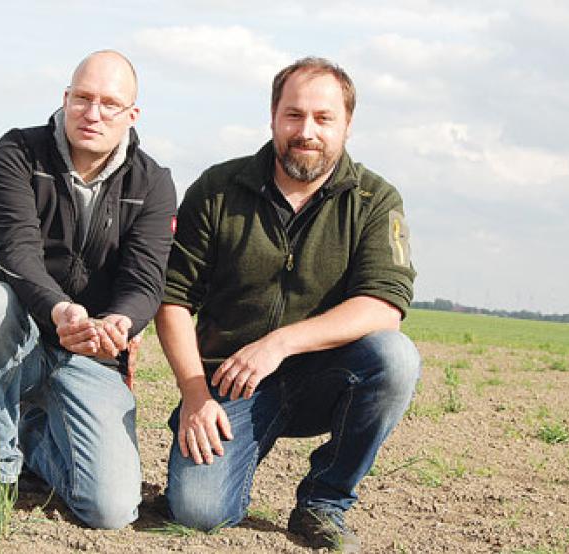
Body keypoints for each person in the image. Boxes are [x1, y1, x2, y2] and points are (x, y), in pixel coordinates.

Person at [154, 57, 420, 551]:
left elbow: (384, 306)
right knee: (199, 512)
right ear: (273, 116)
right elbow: (171, 298)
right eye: (294, 115)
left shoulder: (374, 200)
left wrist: (279, 343)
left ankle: (325, 501)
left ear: (347, 124)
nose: (307, 131)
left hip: (327, 378)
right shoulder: (217, 189)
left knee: (395, 358)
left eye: (324, 118)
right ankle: (214, 457)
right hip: (230, 382)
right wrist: (194, 394)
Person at [0, 50, 176, 529]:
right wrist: (60, 311)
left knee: (111, 509)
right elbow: (16, 253)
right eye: (83, 98)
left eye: (109, 104)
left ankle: (33, 441)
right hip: (24, 336)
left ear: (131, 115)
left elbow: (145, 279)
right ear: (66, 98)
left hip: (93, 352)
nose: (92, 113)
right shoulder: (18, 152)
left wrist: (120, 323)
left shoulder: (153, 183)